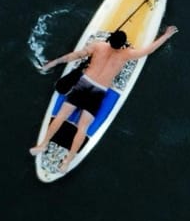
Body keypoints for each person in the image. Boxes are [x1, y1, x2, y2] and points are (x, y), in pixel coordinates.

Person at [30, 25, 179, 172]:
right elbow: (148, 50)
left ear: (110, 40)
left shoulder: (99, 46)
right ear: (122, 45)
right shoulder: (127, 54)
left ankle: (43, 144)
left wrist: (54, 62)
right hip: (98, 92)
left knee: (61, 116)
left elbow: (75, 55)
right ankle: (67, 162)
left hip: (83, 84)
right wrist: (166, 35)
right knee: (83, 128)